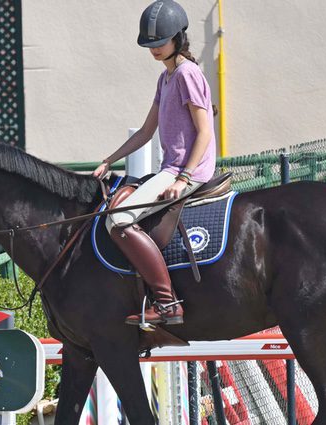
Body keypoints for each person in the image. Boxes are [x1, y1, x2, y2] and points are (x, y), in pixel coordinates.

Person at [93, 0, 216, 326]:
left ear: (178, 37)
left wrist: (182, 178)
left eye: (159, 42)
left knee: (117, 220)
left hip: (186, 171)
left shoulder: (188, 74)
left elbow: (205, 131)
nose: (154, 50)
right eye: (150, 45)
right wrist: (110, 160)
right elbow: (147, 131)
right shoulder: (166, 78)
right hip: (171, 169)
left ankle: (166, 303)